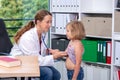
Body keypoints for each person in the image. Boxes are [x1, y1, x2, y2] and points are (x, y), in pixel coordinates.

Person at [10, 9, 67, 80]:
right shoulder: (28, 37)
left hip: (33, 61)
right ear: (38, 22)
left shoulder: (43, 34)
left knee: (56, 74)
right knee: (47, 73)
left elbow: (39, 51)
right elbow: (34, 59)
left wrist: (49, 51)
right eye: (47, 22)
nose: (50, 25)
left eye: (51, 22)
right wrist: (54, 57)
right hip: (21, 63)